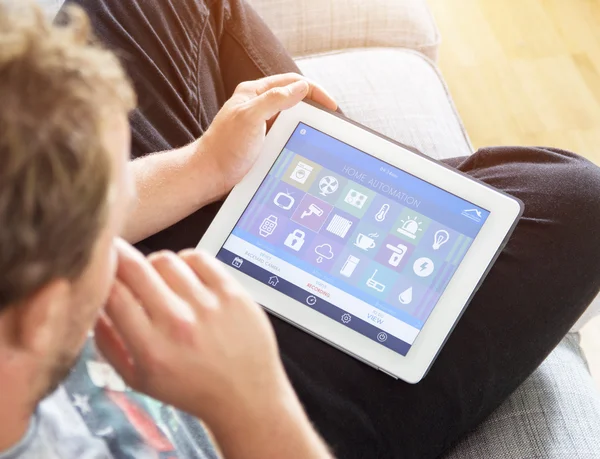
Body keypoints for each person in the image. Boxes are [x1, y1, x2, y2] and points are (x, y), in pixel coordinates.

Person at [1, 0, 600, 458]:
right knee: (580, 201)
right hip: (238, 412)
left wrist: (200, 167)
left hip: (103, 329)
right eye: (103, 211)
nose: (123, 197)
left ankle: (315, 154)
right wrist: (252, 402)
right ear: (47, 307)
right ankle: (331, 157)